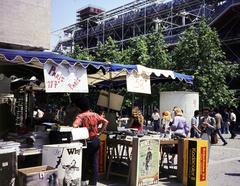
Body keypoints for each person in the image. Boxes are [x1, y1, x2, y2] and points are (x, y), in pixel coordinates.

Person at [72, 97, 108, 186]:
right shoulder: (95, 114)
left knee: (83, 162)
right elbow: (106, 121)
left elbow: (75, 125)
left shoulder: (81, 116)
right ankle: (93, 184)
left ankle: (83, 181)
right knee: (94, 163)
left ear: (79, 107)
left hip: (85, 142)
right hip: (95, 140)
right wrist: (100, 132)